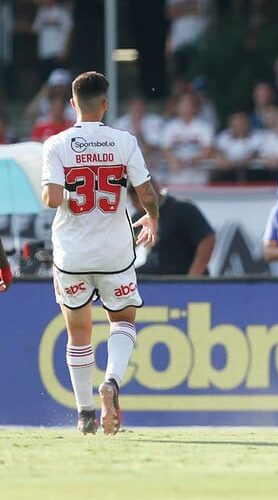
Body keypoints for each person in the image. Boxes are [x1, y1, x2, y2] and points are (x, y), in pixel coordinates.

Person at [40, 71, 159, 435]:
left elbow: (51, 200)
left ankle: (85, 415)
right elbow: (148, 194)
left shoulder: (56, 144)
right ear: (105, 104)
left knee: (78, 334)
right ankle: (111, 382)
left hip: (72, 254)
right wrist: (151, 219)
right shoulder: (123, 141)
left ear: (73, 104)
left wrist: (64, 191)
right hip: (114, 253)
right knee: (122, 322)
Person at [129, 179, 215, 276]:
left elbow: (207, 240)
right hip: (153, 279)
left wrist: (193, 278)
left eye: (137, 200)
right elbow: (126, 245)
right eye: (133, 200)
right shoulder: (140, 217)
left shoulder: (182, 209)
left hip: (178, 278)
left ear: (153, 191)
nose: (134, 205)